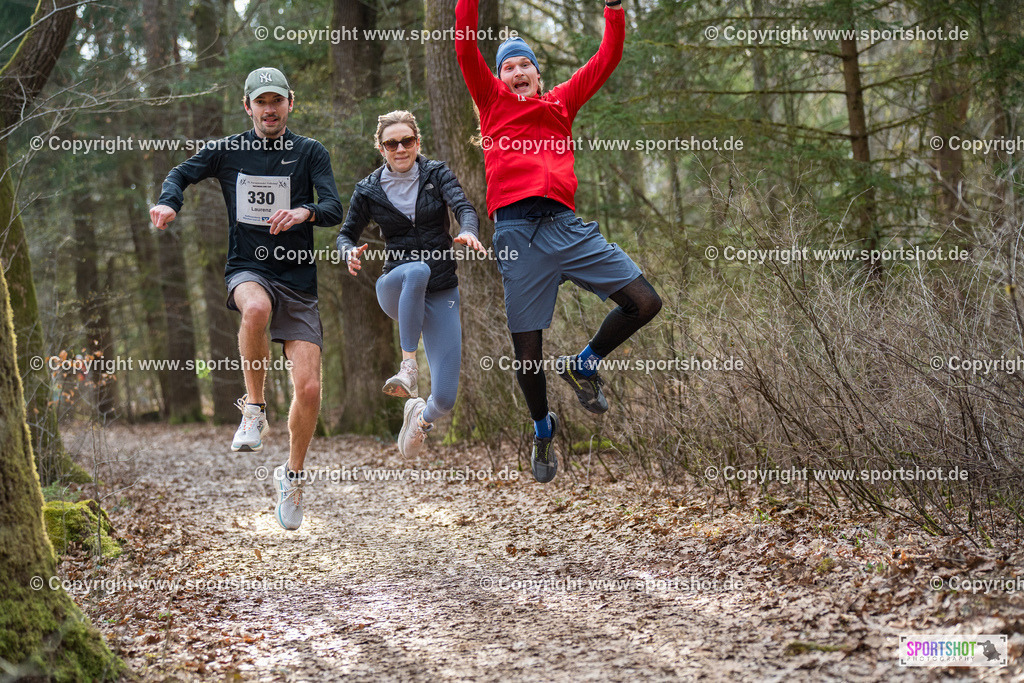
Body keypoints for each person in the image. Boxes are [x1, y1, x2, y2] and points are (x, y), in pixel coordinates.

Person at [455, 0, 662, 483]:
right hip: (517, 234)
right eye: (508, 66)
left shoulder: (561, 103)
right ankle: (542, 427)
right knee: (528, 353)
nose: (517, 71)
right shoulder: (492, 104)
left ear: (539, 75)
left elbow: (606, 57)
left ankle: (584, 364)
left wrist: (613, 8)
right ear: (498, 78)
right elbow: (465, 44)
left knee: (645, 302)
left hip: (567, 228)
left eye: (526, 63)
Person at [150, 67, 343, 530]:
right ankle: (253, 410)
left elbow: (335, 207)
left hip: (297, 279)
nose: (270, 108)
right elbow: (181, 172)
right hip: (248, 267)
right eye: (262, 101)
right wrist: (169, 201)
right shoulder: (228, 150)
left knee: (311, 390)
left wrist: (304, 212)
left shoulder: (310, 151)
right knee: (255, 309)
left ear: (290, 103)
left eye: (277, 100)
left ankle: (293, 475)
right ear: (248, 106)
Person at [337, 110, 484, 457]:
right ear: (381, 147)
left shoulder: (437, 173)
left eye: (407, 141)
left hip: (442, 291)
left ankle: (420, 418)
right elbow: (346, 234)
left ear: (418, 142)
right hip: (396, 286)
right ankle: (407, 367)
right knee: (417, 270)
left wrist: (467, 230)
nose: (400, 148)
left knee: (446, 397)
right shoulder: (369, 189)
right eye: (392, 143)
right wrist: (347, 253)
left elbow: (464, 207)